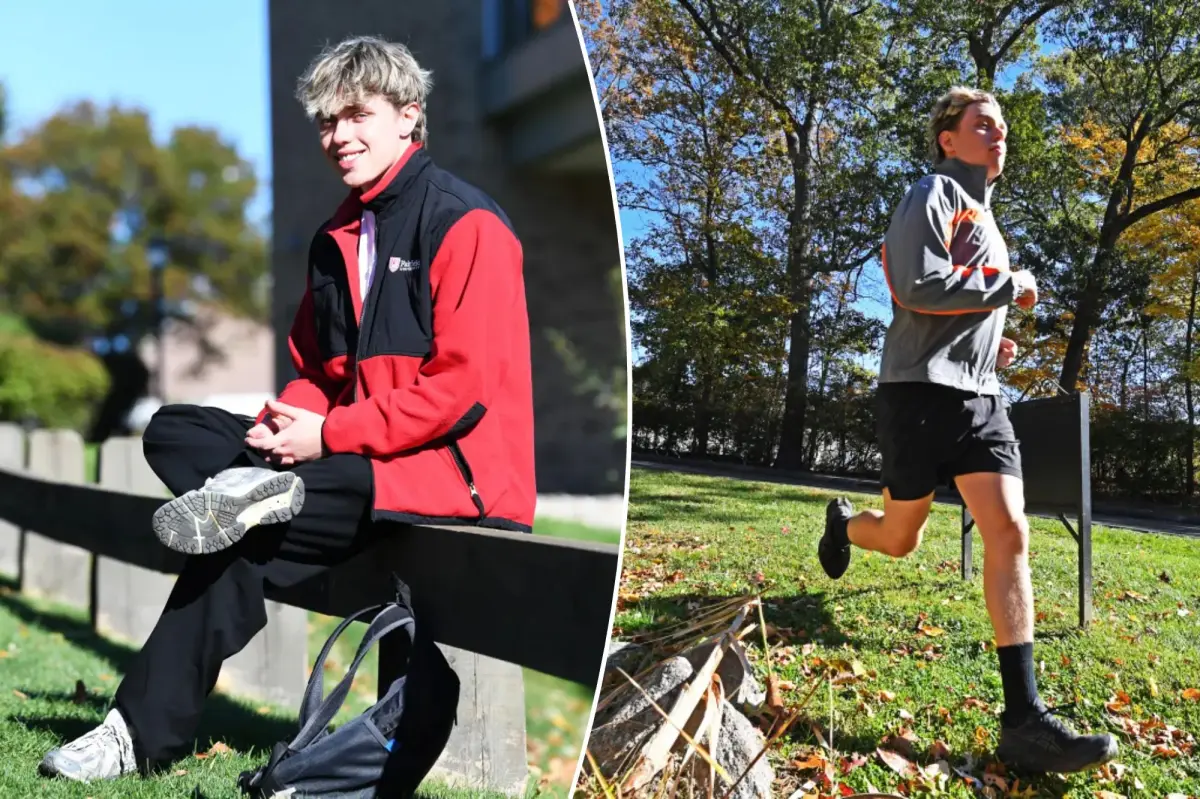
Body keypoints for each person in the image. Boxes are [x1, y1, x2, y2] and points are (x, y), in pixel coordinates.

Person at [39, 35, 535, 783]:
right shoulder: (335, 237)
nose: (338, 136)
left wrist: (328, 434)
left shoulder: (467, 225)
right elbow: (317, 372)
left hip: (444, 479)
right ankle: (252, 488)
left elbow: (459, 393)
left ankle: (132, 733)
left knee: (244, 534)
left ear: (409, 116)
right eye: (326, 122)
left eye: (356, 115)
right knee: (177, 429)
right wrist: (285, 426)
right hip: (349, 461)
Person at [817, 87, 1117, 774]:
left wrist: (992, 346)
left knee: (1009, 530)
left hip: (981, 398)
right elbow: (916, 286)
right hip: (917, 393)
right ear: (947, 139)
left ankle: (1024, 718)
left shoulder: (988, 216)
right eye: (983, 125)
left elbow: (962, 307)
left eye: (1003, 127)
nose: (998, 134)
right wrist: (1008, 287)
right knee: (901, 538)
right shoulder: (933, 193)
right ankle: (843, 523)